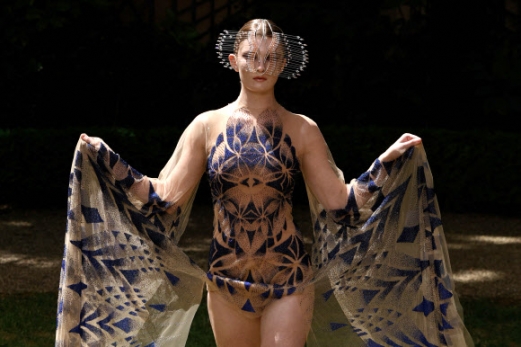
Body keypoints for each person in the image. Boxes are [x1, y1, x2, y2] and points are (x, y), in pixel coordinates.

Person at [56, 19, 473, 347]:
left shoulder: (302, 129)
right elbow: (164, 198)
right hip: (224, 280)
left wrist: (387, 163)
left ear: (283, 64)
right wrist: (107, 159)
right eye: (251, 56)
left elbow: (340, 204)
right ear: (234, 60)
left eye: (271, 58)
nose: (260, 66)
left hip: (288, 279)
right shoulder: (206, 126)